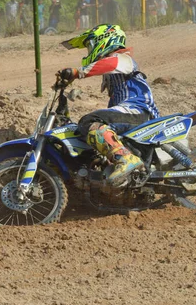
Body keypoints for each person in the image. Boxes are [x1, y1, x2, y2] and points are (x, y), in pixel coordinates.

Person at [58, 24, 160, 188]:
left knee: (89, 121)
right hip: (132, 113)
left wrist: (78, 73)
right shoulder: (114, 72)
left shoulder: (123, 59)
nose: (89, 51)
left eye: (90, 45)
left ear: (104, 40)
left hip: (138, 110)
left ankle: (125, 159)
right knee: (88, 129)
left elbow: (110, 64)